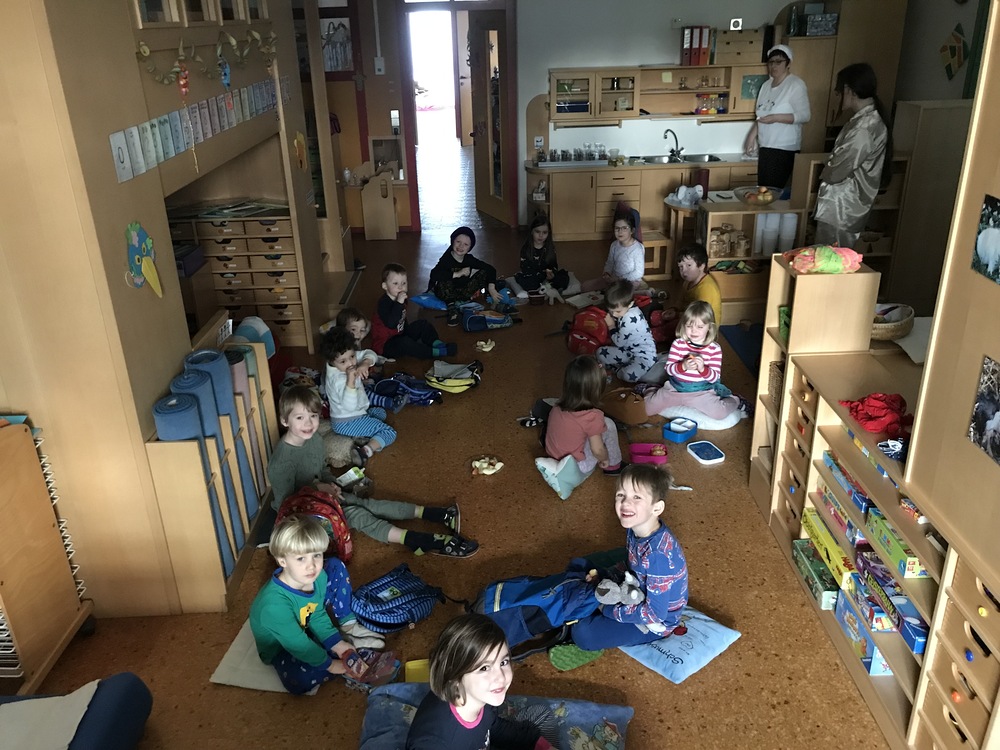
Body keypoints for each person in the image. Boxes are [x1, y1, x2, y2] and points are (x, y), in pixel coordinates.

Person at [268, 386, 479, 557]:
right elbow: (287, 507)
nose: (309, 423)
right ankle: (418, 540)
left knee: (368, 504)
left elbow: (322, 469)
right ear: (285, 421)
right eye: (299, 418)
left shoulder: (314, 439)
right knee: (358, 515)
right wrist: (318, 489)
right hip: (303, 519)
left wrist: (332, 485)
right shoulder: (280, 463)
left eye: (313, 416)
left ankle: (434, 514)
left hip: (322, 498)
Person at [249, 514, 400, 694]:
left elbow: (317, 613)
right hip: (281, 648)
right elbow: (298, 644)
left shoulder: (317, 578)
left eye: (317, 555)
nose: (311, 566)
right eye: (301, 559)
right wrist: (330, 665)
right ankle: (336, 648)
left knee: (334, 567)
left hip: (302, 627)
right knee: (299, 680)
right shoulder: (274, 606)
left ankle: (345, 635)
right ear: (282, 561)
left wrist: (336, 643)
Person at [567, 464, 688, 651]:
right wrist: (608, 574)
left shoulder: (657, 557)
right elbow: (632, 564)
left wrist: (607, 609)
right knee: (579, 565)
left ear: (657, 508)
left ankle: (580, 618)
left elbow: (655, 614)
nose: (625, 503)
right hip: (635, 586)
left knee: (584, 634)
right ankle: (581, 608)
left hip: (654, 623)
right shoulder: (636, 527)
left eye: (637, 497)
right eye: (620, 495)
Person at [406, 613, 554, 750]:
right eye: (484, 668)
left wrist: (538, 744)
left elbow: (492, 725)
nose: (501, 677)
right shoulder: (433, 743)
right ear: (454, 676)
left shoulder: (480, 695)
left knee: (540, 717)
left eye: (503, 662)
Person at [813, 63, 891, 249]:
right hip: (847, 205)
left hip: (842, 206)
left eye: (839, 92)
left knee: (830, 258)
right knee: (833, 256)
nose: (838, 96)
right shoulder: (867, 119)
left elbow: (837, 172)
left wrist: (826, 168)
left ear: (849, 90)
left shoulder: (863, 128)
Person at [643, 301, 748, 421]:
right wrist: (683, 366)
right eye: (689, 326)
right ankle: (651, 389)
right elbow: (669, 369)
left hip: (701, 393)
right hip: (674, 389)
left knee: (719, 413)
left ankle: (736, 400)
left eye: (699, 327)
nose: (693, 331)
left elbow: (714, 378)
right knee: (647, 408)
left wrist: (703, 369)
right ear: (683, 325)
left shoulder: (714, 349)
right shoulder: (678, 344)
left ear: (709, 327)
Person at [321, 326, 397, 465]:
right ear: (332, 361)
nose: (350, 363)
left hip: (356, 414)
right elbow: (350, 406)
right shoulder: (338, 380)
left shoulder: (344, 357)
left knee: (380, 413)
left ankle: (361, 436)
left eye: (352, 356)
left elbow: (370, 353)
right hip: (347, 421)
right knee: (389, 432)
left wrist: (365, 363)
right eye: (343, 362)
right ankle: (365, 451)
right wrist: (350, 381)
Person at [742, 44, 811, 191]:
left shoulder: (795, 85)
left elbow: (805, 116)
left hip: (784, 148)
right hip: (766, 146)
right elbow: (761, 116)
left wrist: (776, 118)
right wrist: (751, 137)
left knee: (773, 193)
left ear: (788, 63)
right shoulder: (766, 86)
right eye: (771, 62)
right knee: (763, 190)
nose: (774, 66)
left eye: (778, 62)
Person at [545, 355, 624, 478]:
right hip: (577, 466)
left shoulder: (557, 405)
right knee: (609, 424)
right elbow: (597, 450)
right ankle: (614, 466)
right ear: (597, 389)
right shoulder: (592, 416)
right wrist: (604, 459)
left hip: (554, 456)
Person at [429, 226, 514, 326]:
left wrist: (492, 288)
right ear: (452, 241)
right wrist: (457, 274)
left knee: (484, 272)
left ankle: (493, 300)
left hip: (464, 292)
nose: (461, 246)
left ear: (470, 248)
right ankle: (452, 309)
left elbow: (490, 269)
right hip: (447, 293)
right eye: (458, 242)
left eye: (466, 244)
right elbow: (433, 275)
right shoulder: (446, 259)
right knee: (443, 278)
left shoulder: (469, 259)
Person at [371, 263, 456, 359]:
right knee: (405, 343)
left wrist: (408, 331)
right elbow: (391, 323)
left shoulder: (401, 298)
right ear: (385, 286)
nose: (400, 287)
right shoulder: (384, 303)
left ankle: (437, 343)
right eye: (395, 283)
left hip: (400, 334)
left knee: (423, 324)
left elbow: (402, 317)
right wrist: (399, 303)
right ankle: (435, 352)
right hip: (386, 344)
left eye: (404, 283)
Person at [596, 280, 656, 383]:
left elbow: (619, 342)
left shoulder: (629, 318)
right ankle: (619, 368)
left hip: (644, 355)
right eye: (611, 310)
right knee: (600, 352)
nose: (614, 314)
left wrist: (611, 326)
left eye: (617, 311)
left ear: (630, 304)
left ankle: (616, 371)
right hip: (628, 351)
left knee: (629, 375)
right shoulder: (626, 309)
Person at [584, 211, 645, 292]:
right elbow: (610, 262)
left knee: (615, 294)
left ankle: (643, 293)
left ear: (632, 230)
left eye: (624, 228)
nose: (620, 231)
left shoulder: (637, 249)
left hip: (630, 281)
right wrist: (607, 273)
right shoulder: (614, 245)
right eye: (617, 228)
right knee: (586, 286)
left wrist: (619, 279)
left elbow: (638, 272)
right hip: (613, 279)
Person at [515, 213, 569, 293]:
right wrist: (538, 276)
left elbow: (554, 266)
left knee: (563, 277)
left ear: (548, 233)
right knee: (530, 284)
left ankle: (551, 286)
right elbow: (525, 268)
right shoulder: (526, 249)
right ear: (532, 231)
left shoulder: (550, 248)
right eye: (537, 232)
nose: (541, 235)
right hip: (533, 276)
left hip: (546, 276)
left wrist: (551, 274)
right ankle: (518, 277)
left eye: (544, 232)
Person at [677, 243, 722, 325]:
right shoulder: (687, 282)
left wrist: (678, 315)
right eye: (681, 267)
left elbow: (700, 317)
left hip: (701, 326)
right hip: (687, 318)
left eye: (689, 265)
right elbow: (680, 303)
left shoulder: (707, 288)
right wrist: (674, 310)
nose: (684, 271)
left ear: (701, 266)